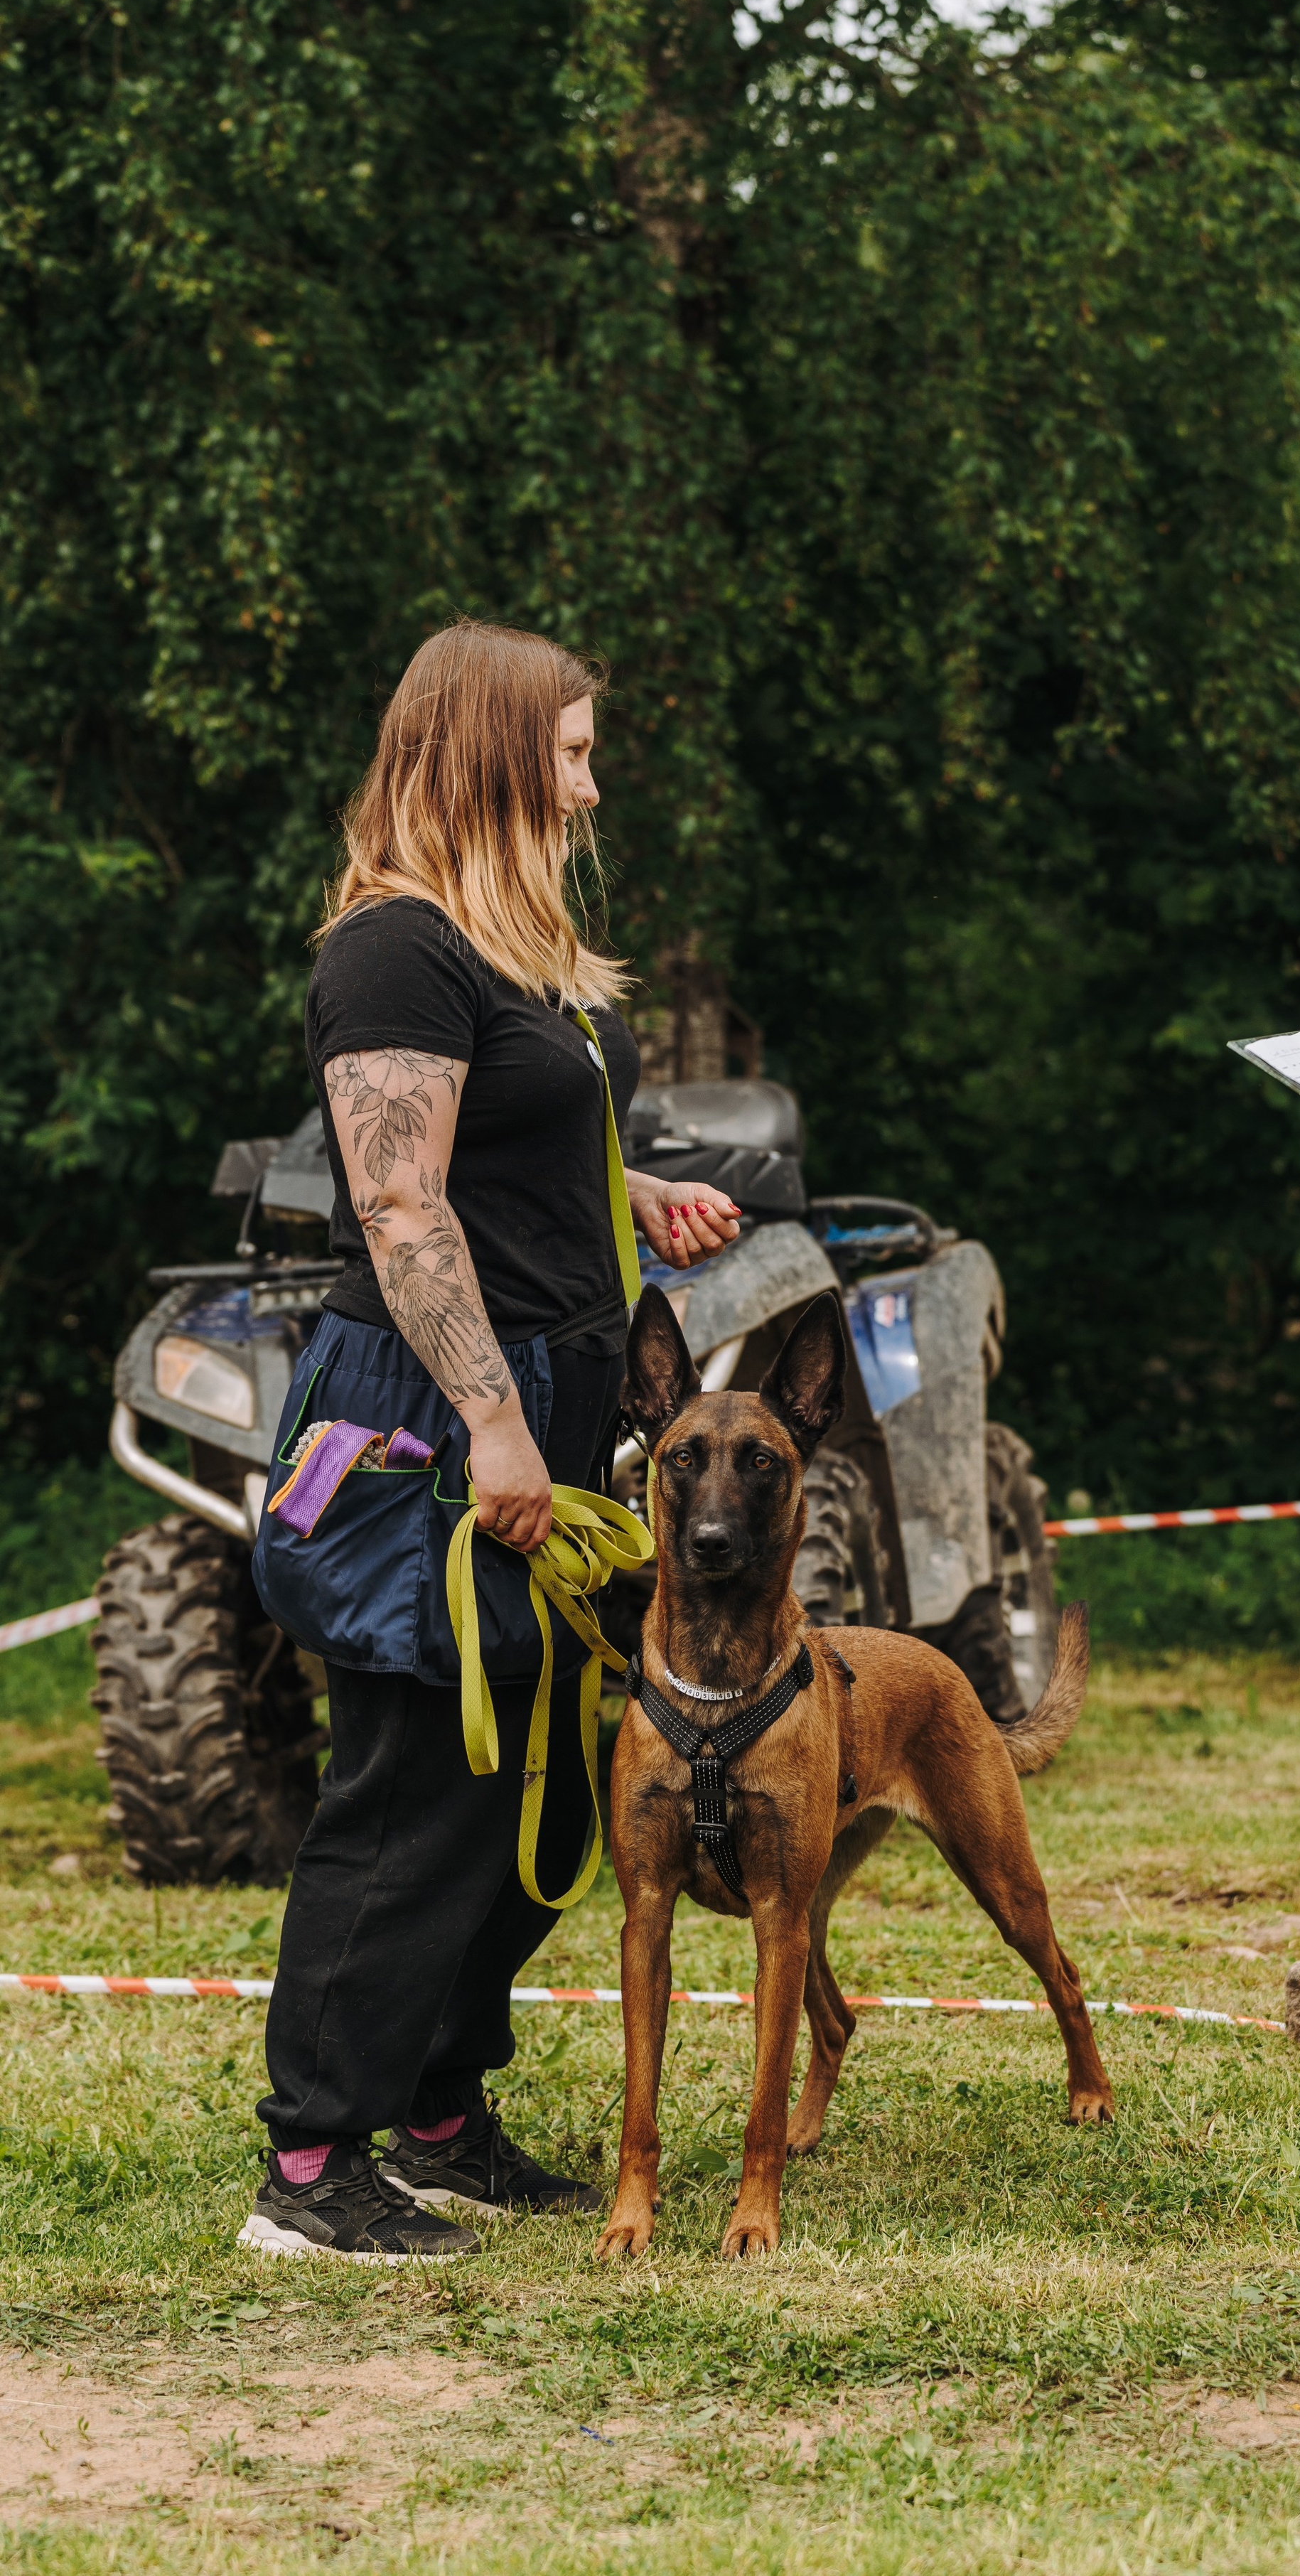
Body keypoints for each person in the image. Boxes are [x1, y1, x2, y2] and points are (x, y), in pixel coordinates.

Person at [242, 620, 740, 2261]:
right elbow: (396, 1203)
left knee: (529, 1798)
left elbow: (507, 1167)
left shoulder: (508, 954)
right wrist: (496, 1423)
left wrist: (633, 1205)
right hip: (436, 1426)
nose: (592, 788)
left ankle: (440, 2107)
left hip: (541, 1405)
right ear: (489, 759)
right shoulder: (392, 951)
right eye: (574, 753)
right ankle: (312, 2163)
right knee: (411, 1788)